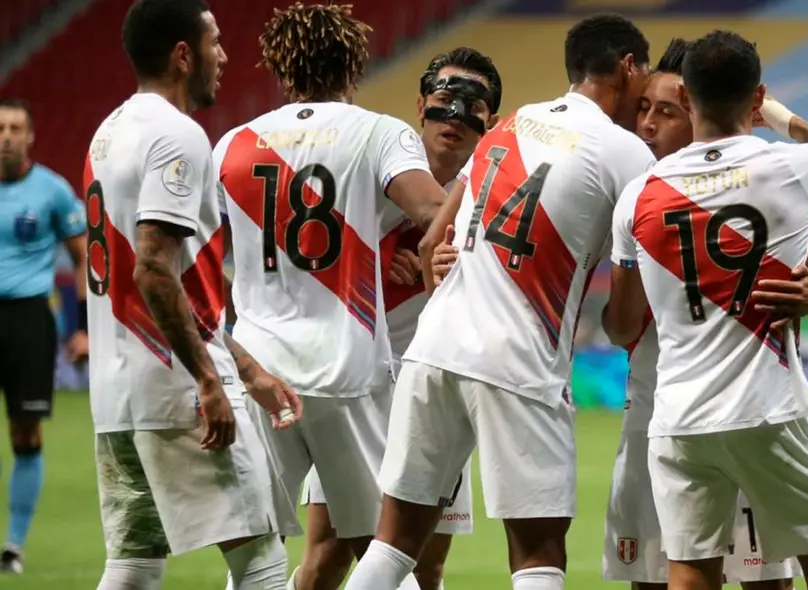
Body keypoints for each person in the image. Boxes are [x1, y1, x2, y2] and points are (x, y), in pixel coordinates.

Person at [343, 14, 657, 590]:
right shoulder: (626, 152)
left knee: (393, 544)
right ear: (628, 67)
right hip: (518, 360)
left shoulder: (512, 122)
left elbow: (433, 240)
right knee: (538, 552)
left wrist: (452, 296)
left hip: (434, 349)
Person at [605, 30, 808, 590]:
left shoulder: (638, 195)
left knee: (690, 576)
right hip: (769, 409)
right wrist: (785, 119)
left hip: (678, 417)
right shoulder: (792, 166)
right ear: (755, 98)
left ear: (687, 98)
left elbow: (622, 321)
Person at [212, 3, 446, 589]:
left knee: (257, 557)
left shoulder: (233, 145)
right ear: (354, 64)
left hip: (261, 373)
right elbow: (432, 210)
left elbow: (200, 264)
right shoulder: (380, 133)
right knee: (385, 551)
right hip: (348, 373)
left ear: (280, 66)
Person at [85, 1, 302, 588]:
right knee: (261, 559)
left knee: (133, 562)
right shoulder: (177, 136)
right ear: (183, 55)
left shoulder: (108, 134)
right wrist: (209, 379)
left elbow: (178, 278)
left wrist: (246, 367)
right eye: (215, 43)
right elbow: (154, 270)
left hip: (117, 395)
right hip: (178, 390)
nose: (223, 56)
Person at [296, 46, 503, 590]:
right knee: (327, 554)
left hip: (438, 389)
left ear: (492, 121)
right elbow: (313, 256)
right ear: (419, 105)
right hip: (357, 386)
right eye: (444, 98)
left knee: (425, 562)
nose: (455, 115)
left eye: (473, 105)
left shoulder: (494, 194)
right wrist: (376, 260)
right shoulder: (368, 171)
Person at [0, 97, 88, 574]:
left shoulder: (52, 191)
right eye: (0, 128)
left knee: (26, 430)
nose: (7, 137)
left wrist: (85, 328)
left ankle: (13, 545)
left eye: (16, 128)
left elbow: (83, 258)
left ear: (30, 136)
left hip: (30, 318)